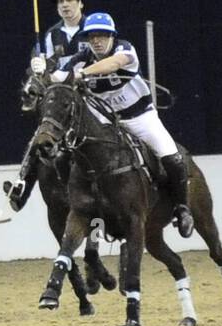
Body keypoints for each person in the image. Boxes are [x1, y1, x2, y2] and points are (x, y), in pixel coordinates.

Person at [51, 13, 194, 237]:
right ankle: (76, 200)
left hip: (139, 116)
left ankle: (182, 208)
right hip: (106, 121)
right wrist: (41, 72)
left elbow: (114, 64)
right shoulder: (80, 58)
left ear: (112, 36)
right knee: (64, 153)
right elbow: (55, 81)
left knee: (172, 157)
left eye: (102, 35)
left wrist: (81, 73)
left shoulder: (124, 49)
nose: (96, 41)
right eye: (91, 37)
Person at [5, 0, 87, 210]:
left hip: (91, 91)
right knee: (41, 134)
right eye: (61, 2)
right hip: (63, 96)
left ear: (80, 3)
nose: (65, 5)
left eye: (70, 0)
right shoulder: (52, 34)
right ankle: (21, 186)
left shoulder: (94, 28)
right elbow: (41, 71)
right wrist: (39, 66)